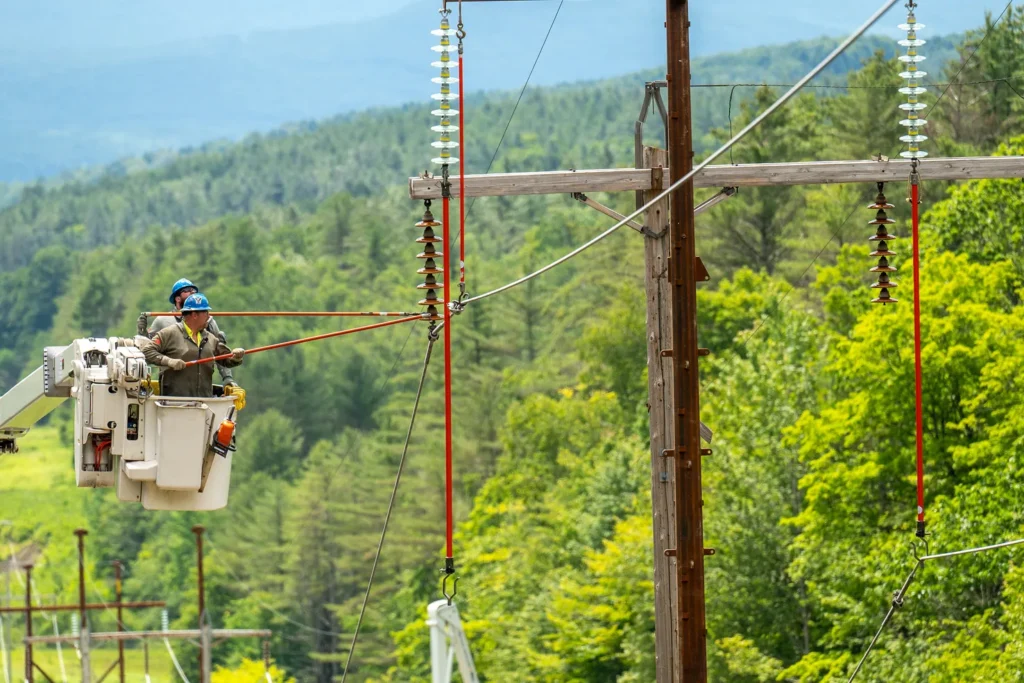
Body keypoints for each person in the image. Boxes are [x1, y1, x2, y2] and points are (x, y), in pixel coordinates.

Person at [137, 278, 238, 387]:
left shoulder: (208, 321)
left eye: (194, 290)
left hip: (202, 383)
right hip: (173, 383)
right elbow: (147, 351)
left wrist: (227, 377)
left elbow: (220, 353)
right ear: (178, 298)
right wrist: (142, 333)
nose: (193, 292)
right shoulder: (163, 321)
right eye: (188, 290)